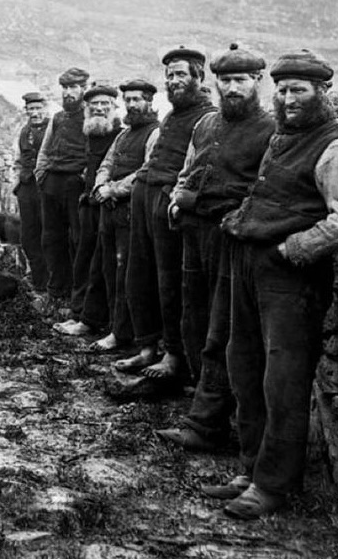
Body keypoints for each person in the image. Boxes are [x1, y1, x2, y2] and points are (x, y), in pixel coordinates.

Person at [205, 49, 338, 519]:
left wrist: (293, 249)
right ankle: (250, 468)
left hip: (289, 280)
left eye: (299, 90)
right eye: (282, 90)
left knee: (283, 381)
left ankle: (273, 486)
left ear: (322, 94)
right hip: (250, 267)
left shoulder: (336, 148)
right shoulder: (281, 138)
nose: (288, 99)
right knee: (244, 366)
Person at [155, 44, 275, 451]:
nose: (232, 88)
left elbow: (261, 190)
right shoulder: (206, 124)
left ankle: (211, 425)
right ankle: (202, 407)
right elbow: (188, 170)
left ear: (257, 82)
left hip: (231, 237)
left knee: (223, 331)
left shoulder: (270, 130)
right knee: (195, 318)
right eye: (226, 81)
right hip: (194, 234)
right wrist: (177, 198)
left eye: (240, 80)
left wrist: (212, 208)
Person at [107, 47, 216, 367]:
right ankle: (146, 348)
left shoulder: (206, 117)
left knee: (168, 282)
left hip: (166, 202)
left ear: (199, 77)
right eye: (170, 75)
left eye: (181, 74)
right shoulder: (171, 115)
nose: (174, 81)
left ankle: (173, 355)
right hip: (143, 195)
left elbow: (197, 169)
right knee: (137, 276)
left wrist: (174, 198)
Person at [69, 79, 159, 342]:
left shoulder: (155, 132)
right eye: (128, 100)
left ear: (149, 103)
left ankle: (122, 333)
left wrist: (114, 189)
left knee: (124, 273)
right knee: (105, 269)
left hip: (131, 212)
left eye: (137, 100)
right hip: (108, 209)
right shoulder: (124, 134)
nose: (132, 104)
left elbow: (145, 171)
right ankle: (105, 325)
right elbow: (106, 163)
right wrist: (100, 185)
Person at [53, 83, 120, 334]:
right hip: (87, 204)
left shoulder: (119, 133)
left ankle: (93, 320)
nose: (100, 109)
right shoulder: (90, 131)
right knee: (82, 260)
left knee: (99, 264)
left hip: (107, 205)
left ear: (114, 107)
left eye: (105, 104)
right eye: (95, 105)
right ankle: (78, 312)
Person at [34, 66, 90, 300]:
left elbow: (94, 153)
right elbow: (45, 149)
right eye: (65, 88)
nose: (68, 92)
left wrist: (83, 178)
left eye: (73, 87)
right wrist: (41, 175)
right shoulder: (57, 118)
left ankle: (77, 295)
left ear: (84, 89)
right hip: (52, 184)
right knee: (51, 238)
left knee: (77, 239)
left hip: (74, 183)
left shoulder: (91, 115)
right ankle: (56, 291)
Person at [13, 92, 50, 291]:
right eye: (31, 109)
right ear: (26, 110)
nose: (35, 113)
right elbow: (17, 160)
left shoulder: (54, 128)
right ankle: (37, 280)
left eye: (38, 108)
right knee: (29, 235)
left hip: (47, 187)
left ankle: (50, 283)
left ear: (45, 108)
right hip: (27, 188)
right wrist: (17, 185)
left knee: (49, 233)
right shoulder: (23, 131)